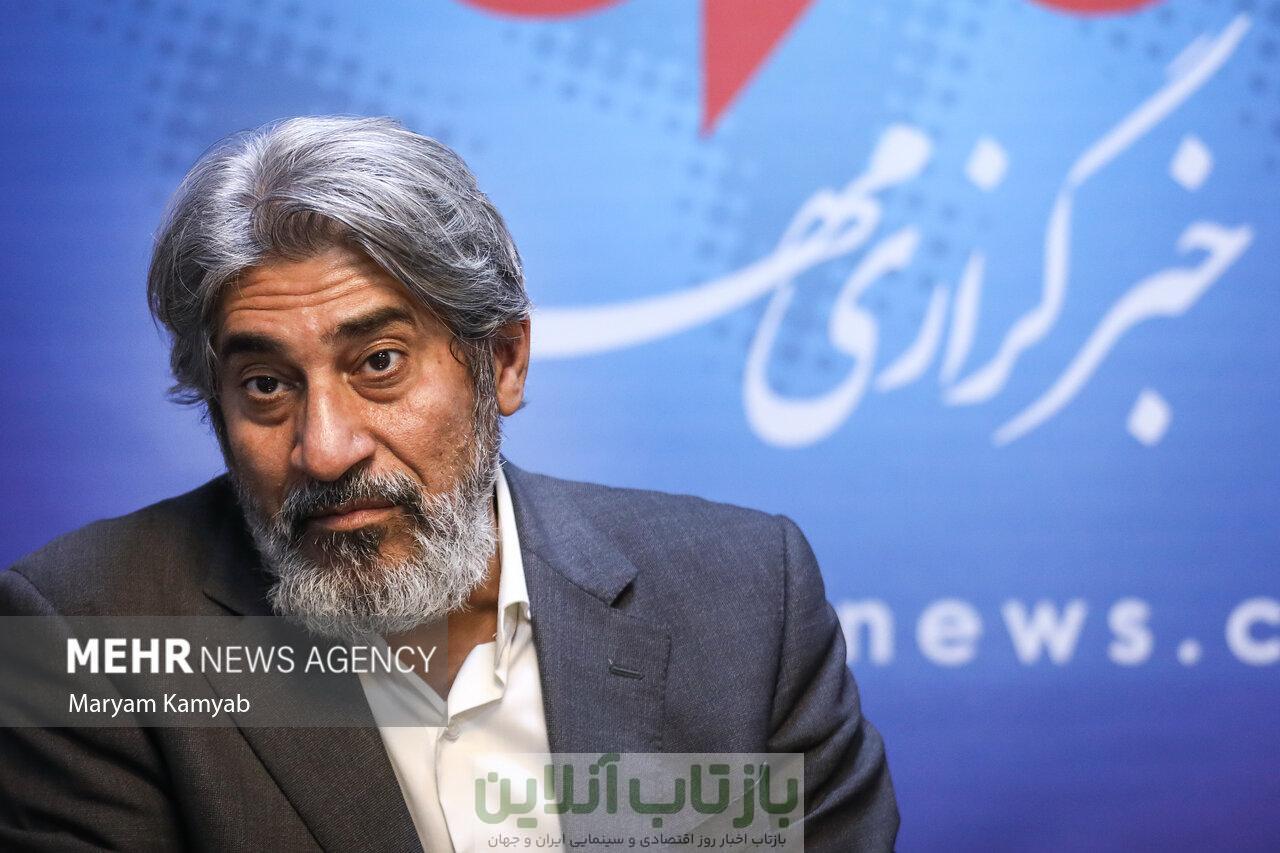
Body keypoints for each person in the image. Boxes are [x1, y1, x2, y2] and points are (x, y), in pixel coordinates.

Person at [0, 116, 898, 851]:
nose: (325, 449)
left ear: (501, 361)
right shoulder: (85, 630)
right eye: (266, 384)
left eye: (379, 362)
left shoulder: (745, 599)